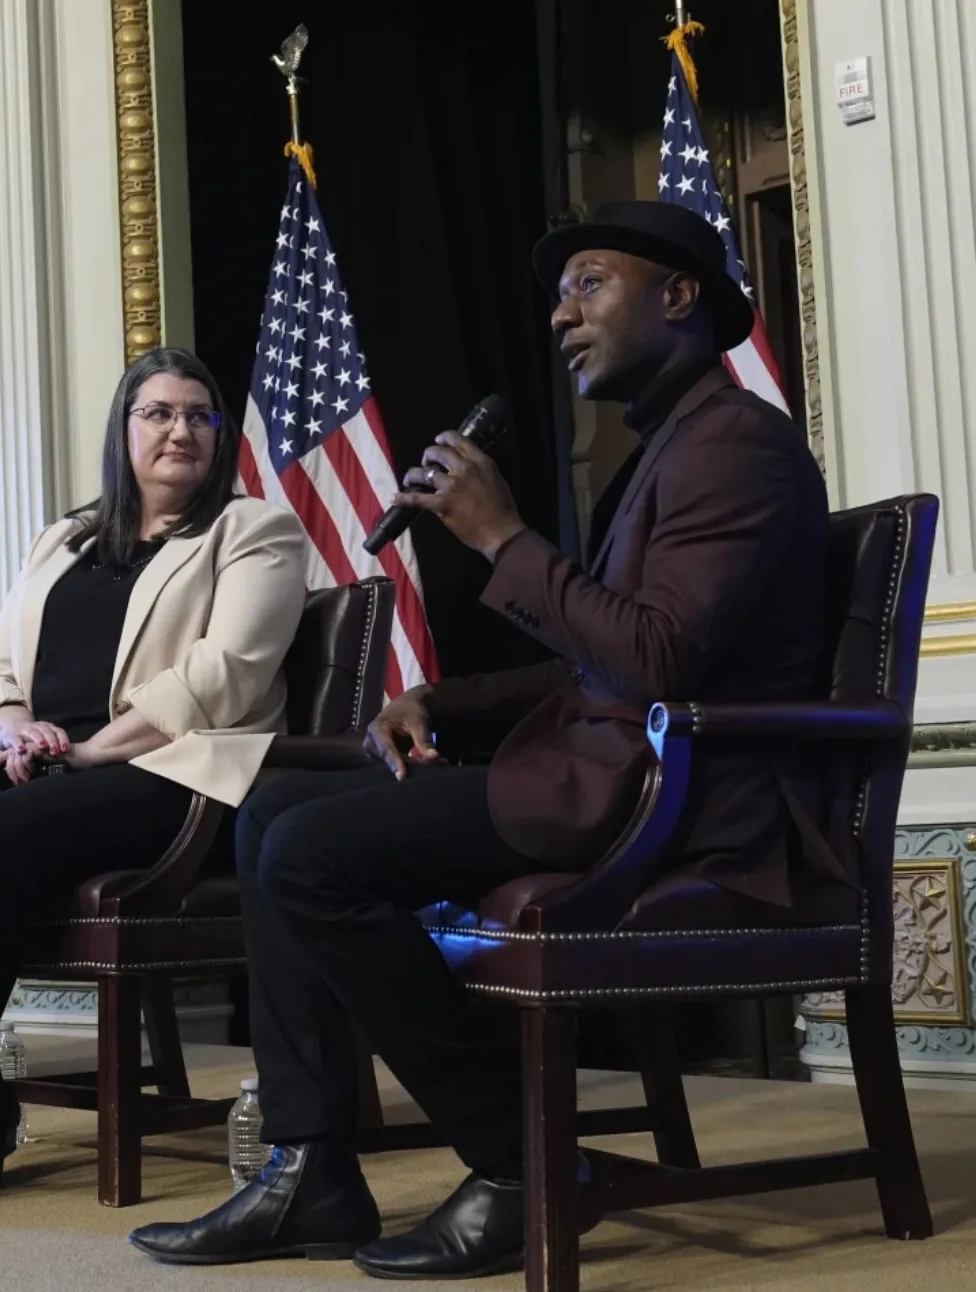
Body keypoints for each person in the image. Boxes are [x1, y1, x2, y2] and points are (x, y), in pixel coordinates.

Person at [130, 202, 833, 1279]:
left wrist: (503, 535)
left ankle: (520, 1158)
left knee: (310, 853)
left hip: (683, 798)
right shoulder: (674, 447)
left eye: (589, 284)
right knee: (274, 809)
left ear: (681, 296)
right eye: (562, 293)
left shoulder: (739, 445)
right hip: (604, 769)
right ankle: (310, 1165)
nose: (561, 313)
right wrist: (446, 702)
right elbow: (602, 657)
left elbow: (655, 663)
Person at [0, 346, 309, 1223]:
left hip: (170, 775)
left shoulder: (254, 531)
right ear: (124, 430)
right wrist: (16, 728)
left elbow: (226, 675)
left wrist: (98, 749)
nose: (181, 430)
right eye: (159, 413)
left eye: (200, 416)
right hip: (43, 769)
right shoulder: (63, 537)